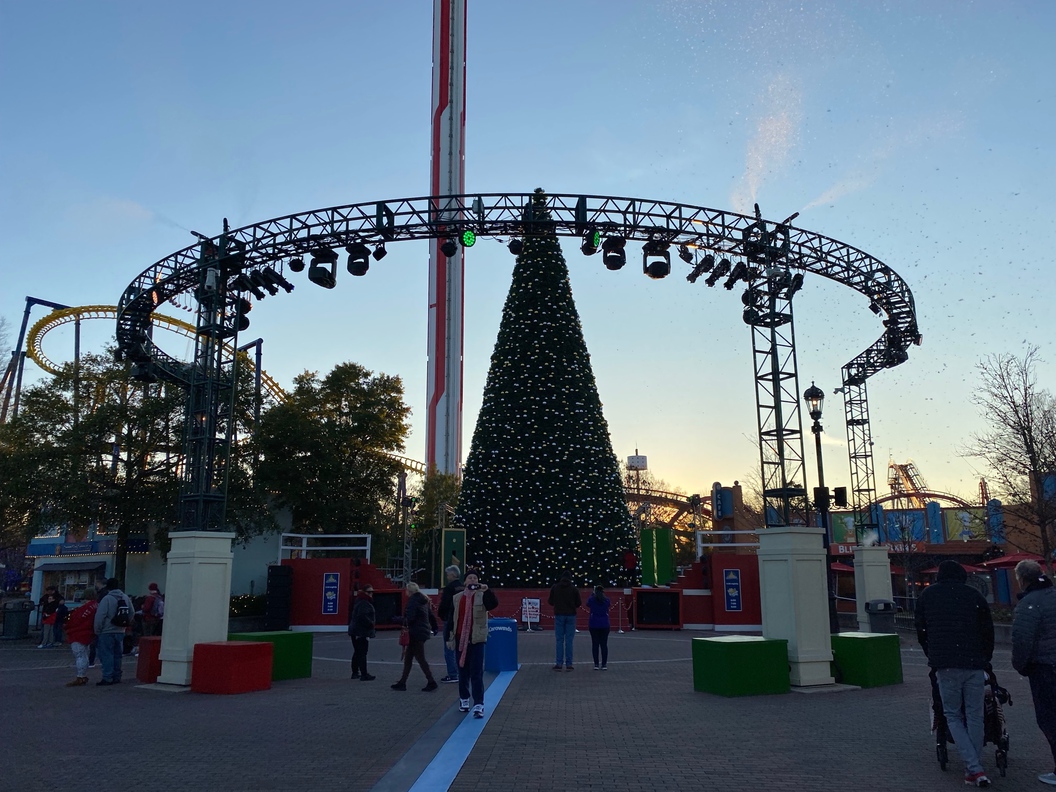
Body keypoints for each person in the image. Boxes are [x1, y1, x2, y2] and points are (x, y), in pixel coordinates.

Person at [915, 559, 995, 788]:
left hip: (945, 663)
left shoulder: (927, 596)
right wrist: (984, 657)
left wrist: (931, 652)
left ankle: (975, 768)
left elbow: (921, 629)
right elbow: (987, 630)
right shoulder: (974, 596)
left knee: (952, 714)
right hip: (974, 662)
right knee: (975, 714)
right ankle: (974, 767)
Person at [1011, 559, 1056, 786]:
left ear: (1022, 579)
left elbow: (1022, 639)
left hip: (1046, 668)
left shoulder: (1030, 604)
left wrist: (1021, 665)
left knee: (1050, 718)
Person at [451, 570, 498, 718]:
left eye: (475, 578)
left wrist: (487, 590)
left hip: (477, 639)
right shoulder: (457, 598)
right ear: (465, 582)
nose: (472, 580)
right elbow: (452, 618)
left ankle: (479, 704)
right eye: (470, 578)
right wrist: (449, 637)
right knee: (462, 671)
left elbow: (493, 605)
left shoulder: (482, 596)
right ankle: (464, 699)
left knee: (476, 672)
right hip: (460, 639)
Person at [391, 582, 438, 692]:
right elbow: (431, 615)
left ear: (409, 591)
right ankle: (403, 682)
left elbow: (410, 618)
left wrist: (398, 620)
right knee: (409, 658)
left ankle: (431, 681)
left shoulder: (412, 601)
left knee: (420, 658)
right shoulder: (423, 600)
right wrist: (434, 627)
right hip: (422, 632)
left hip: (415, 633)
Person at [92, 578, 134, 686]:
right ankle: (117, 676)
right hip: (120, 630)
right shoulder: (125, 597)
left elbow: (100, 616)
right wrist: (125, 623)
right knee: (117, 655)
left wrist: (97, 630)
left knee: (106, 654)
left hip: (107, 631)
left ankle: (107, 677)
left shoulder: (107, 599)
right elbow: (132, 612)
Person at [548, 570, 581, 671]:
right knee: (569, 641)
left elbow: (550, 601)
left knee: (559, 640)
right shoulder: (574, 589)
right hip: (571, 615)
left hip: (559, 615)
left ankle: (558, 663)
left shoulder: (555, 587)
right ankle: (569, 664)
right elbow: (578, 603)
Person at [436, 565, 463, 683]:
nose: (447, 577)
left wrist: (441, 615)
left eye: (448, 574)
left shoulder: (449, 588)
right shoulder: (463, 587)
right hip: (461, 619)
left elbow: (444, 604)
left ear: (452, 575)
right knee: (460, 647)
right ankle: (461, 671)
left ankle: (452, 674)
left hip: (450, 619)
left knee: (449, 647)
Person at [63, 598, 99, 687]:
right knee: (84, 654)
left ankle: (80, 676)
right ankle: (82, 675)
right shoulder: (95, 606)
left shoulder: (83, 610)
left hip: (78, 633)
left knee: (80, 655)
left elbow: (74, 621)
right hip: (87, 633)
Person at [348, 585, 377, 682]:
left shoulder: (359, 601)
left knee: (358, 652)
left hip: (356, 631)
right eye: (369, 592)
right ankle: (363, 674)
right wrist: (370, 624)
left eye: (372, 591)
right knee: (362, 653)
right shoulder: (364, 602)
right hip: (361, 631)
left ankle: (355, 672)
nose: (371, 593)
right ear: (364, 592)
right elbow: (362, 616)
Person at [587, 585, 611, 670]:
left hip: (594, 624)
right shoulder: (607, 600)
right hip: (605, 624)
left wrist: (592, 594)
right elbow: (609, 604)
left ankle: (596, 664)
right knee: (604, 645)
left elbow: (588, 603)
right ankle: (604, 664)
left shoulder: (592, 600)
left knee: (595, 644)